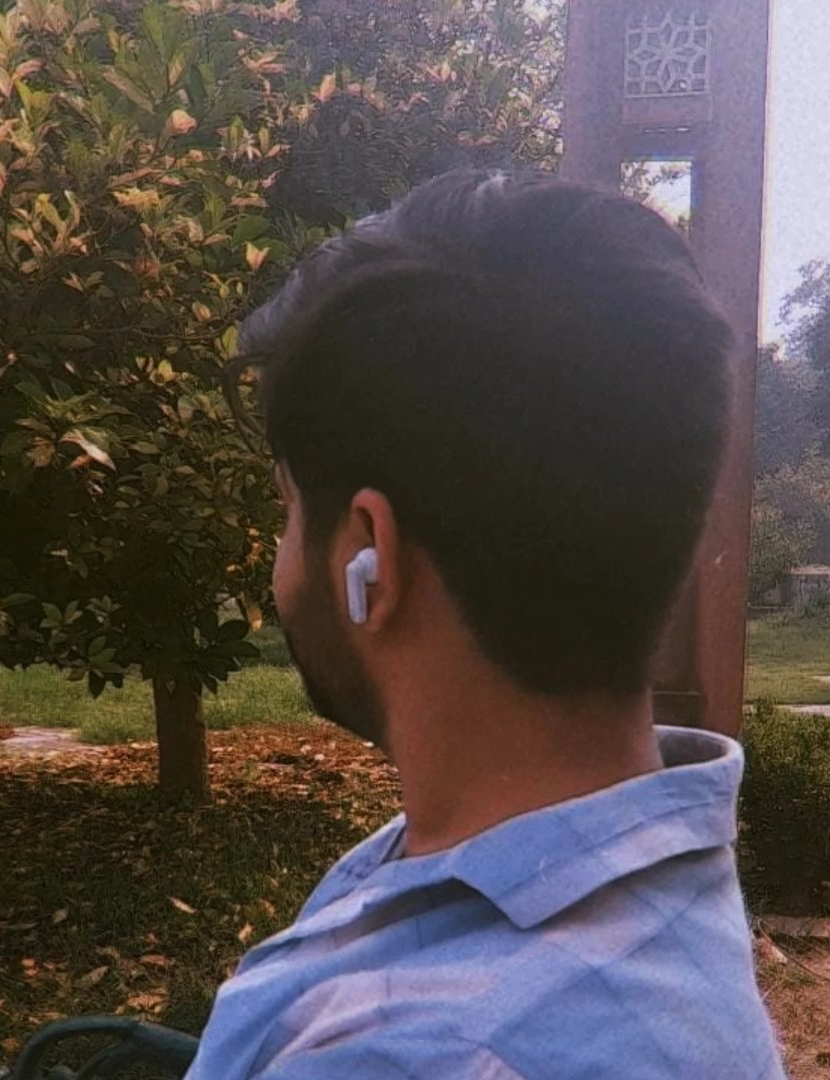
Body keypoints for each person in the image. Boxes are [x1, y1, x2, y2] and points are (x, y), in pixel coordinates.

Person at [185, 172, 786, 1079]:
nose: (279, 562)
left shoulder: (418, 1056)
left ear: (369, 557)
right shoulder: (634, 864)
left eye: (287, 511)